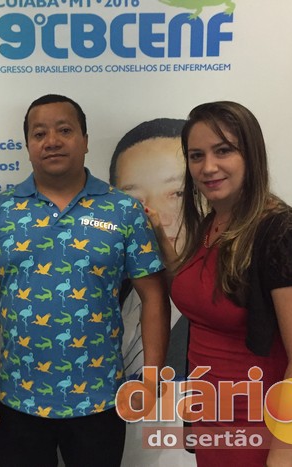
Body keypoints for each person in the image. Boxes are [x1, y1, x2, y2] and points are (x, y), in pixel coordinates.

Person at [0, 94, 171, 467]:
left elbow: (153, 296)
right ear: (28, 145)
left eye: (65, 130)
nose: (52, 141)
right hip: (19, 400)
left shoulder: (123, 210)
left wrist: (151, 378)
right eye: (39, 133)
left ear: (85, 140)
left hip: (101, 400)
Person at [147, 101, 292, 466]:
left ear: (251, 155)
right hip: (214, 419)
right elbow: (203, 296)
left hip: (267, 430)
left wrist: (281, 460)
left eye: (223, 150)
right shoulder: (212, 223)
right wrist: (163, 243)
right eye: (196, 156)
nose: (208, 167)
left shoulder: (283, 236)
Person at [109, 118, 188, 379]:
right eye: (134, 201)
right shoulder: (112, 288)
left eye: (177, 194)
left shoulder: (222, 307)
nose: (157, 217)